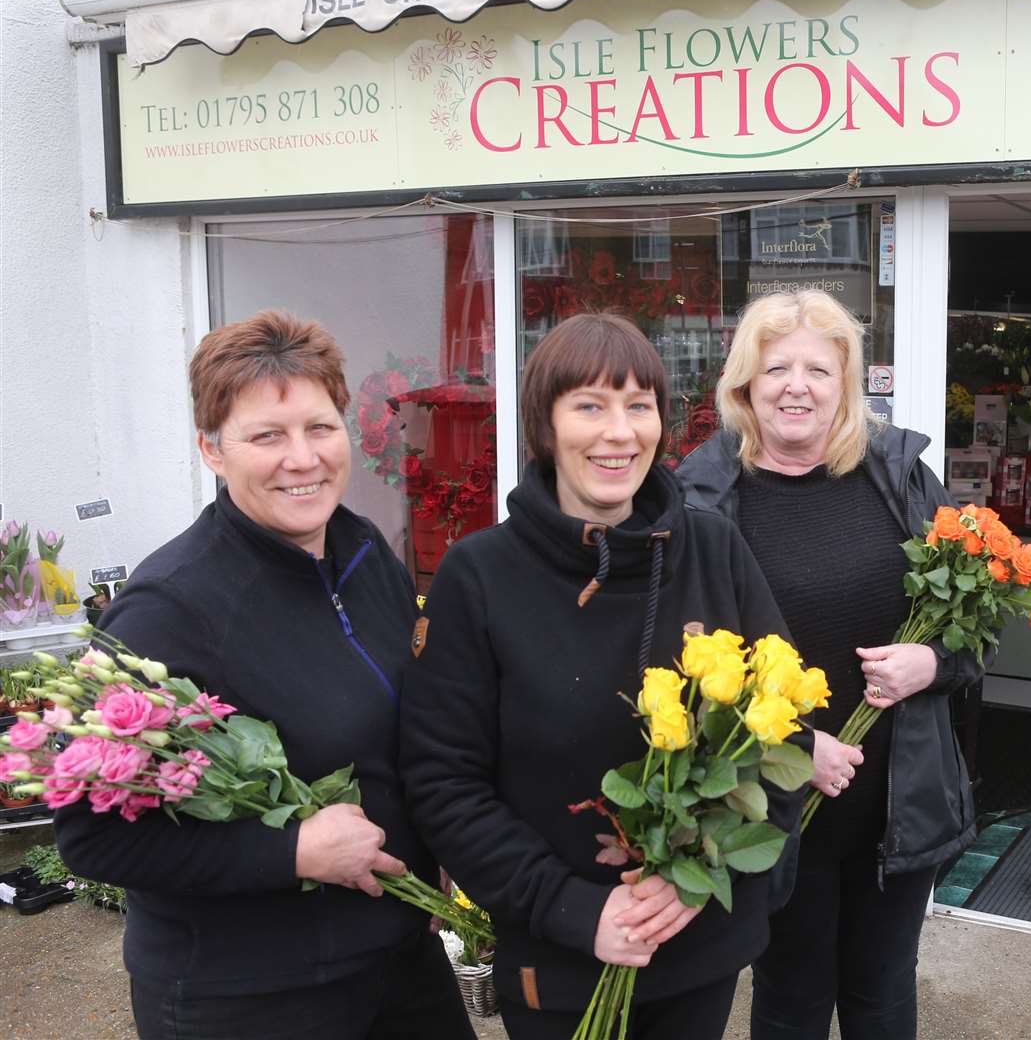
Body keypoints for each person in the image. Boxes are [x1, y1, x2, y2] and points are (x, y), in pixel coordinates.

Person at [53, 310, 472, 1040]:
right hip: (247, 994)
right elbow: (92, 838)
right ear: (212, 451)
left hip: (397, 958)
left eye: (319, 427)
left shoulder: (362, 549)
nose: (302, 458)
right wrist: (292, 851)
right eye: (266, 436)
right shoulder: (167, 612)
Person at [399, 313, 797, 1040]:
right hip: (557, 965)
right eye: (589, 405)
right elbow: (442, 780)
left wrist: (704, 881)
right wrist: (576, 911)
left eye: (638, 406)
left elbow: (779, 731)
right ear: (545, 428)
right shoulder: (480, 577)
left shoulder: (713, 549)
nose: (619, 432)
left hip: (698, 950)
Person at [678, 290, 983, 1040]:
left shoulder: (901, 480)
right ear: (744, 383)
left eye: (819, 368)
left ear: (847, 384)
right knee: (790, 998)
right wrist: (786, 748)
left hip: (896, 804)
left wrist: (931, 662)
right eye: (775, 367)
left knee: (883, 996)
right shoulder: (701, 498)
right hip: (775, 807)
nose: (796, 385)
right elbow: (675, 660)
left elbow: (977, 627)